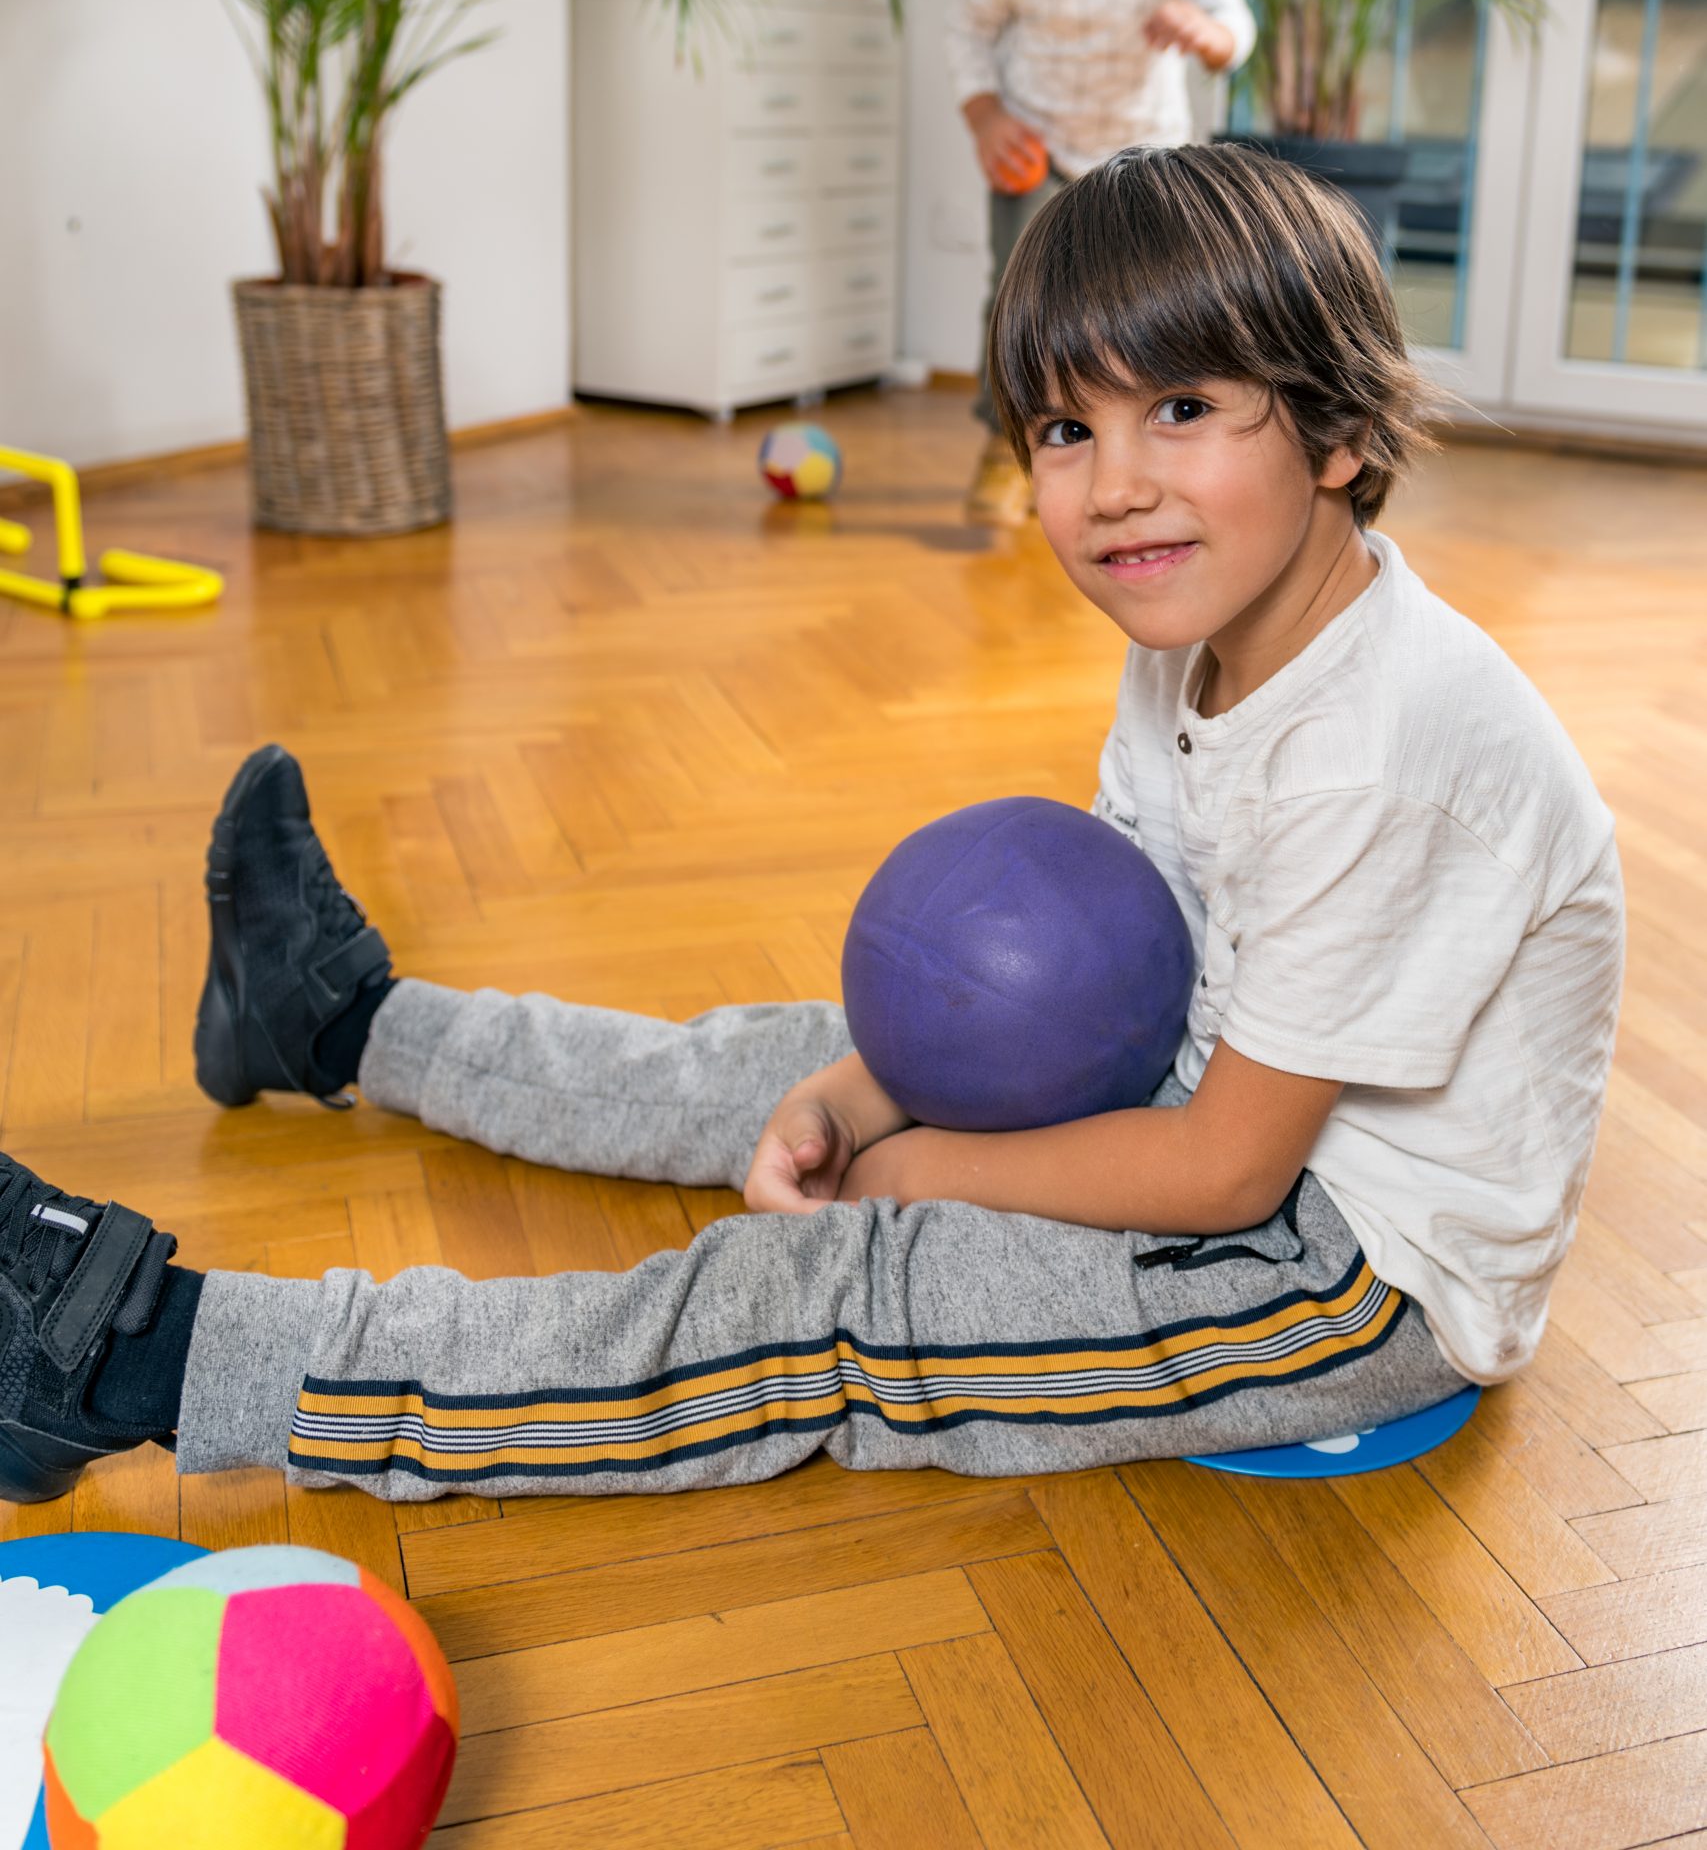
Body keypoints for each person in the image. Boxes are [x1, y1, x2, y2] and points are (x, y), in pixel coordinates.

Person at [0, 148, 1622, 1509]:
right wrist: (857, 1087)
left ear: (1340, 435)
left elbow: (1219, 1172)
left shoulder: (1387, 746)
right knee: (778, 1055)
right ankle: (343, 1022)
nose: (1111, 484)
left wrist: (909, 1167)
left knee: (810, 1300)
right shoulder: (1197, 630)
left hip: (1336, 1272)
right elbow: (1127, 955)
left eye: (1181, 407)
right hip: (1208, 1087)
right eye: (1065, 430)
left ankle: (136, 1355)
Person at [948, 0, 1255, 525]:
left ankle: (1158, 460)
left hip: (1149, 160)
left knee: (1157, 317)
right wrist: (984, 117)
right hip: (1037, 153)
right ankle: (1007, 449)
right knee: (1019, 312)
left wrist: (1210, 34)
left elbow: (1231, 18)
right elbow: (967, 36)